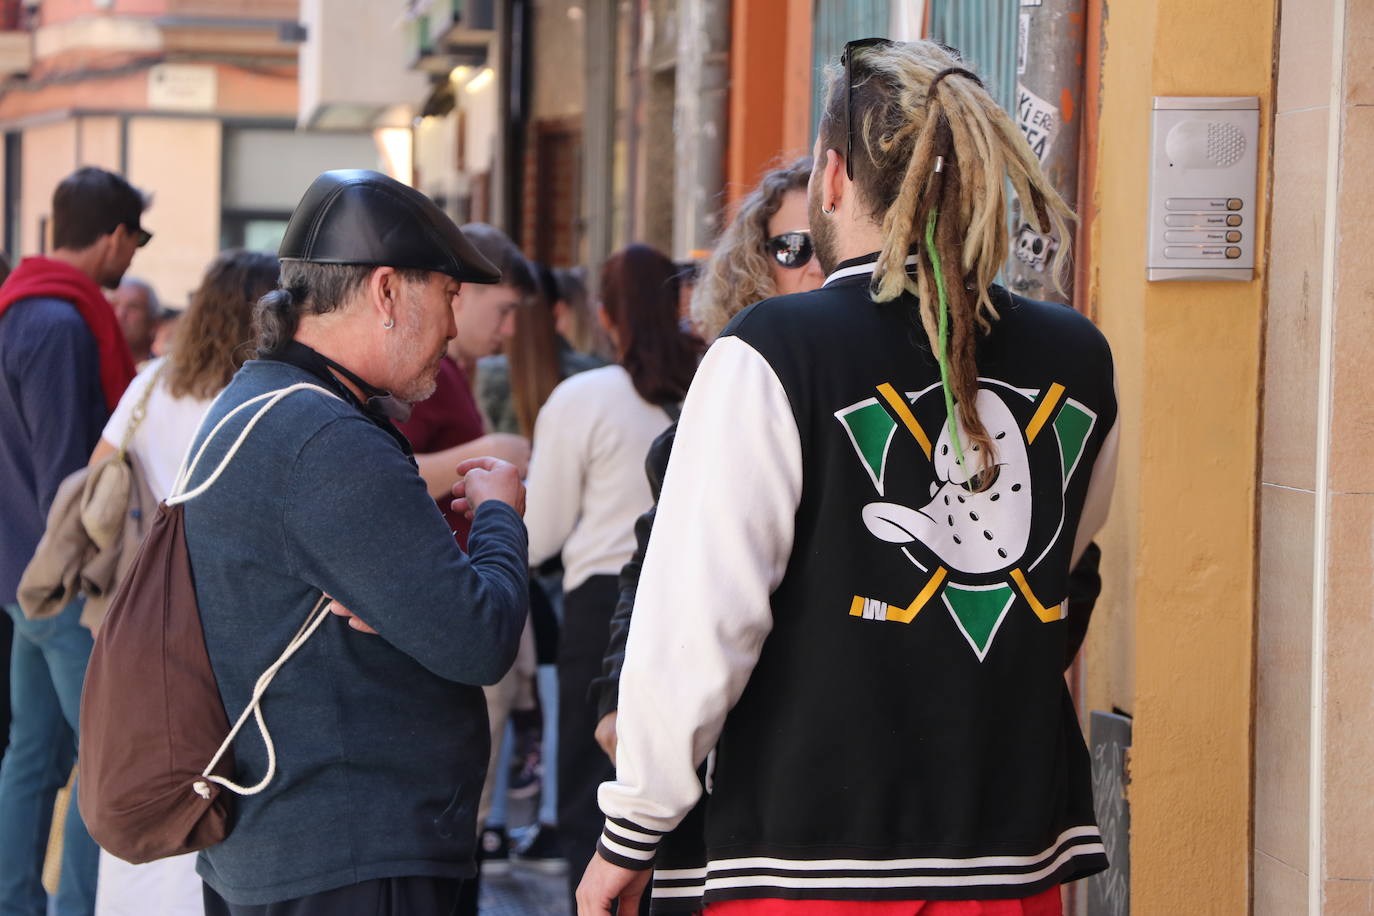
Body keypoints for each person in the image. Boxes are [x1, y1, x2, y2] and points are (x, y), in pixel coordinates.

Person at [578, 39, 1118, 916]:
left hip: (807, 865)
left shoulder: (771, 350)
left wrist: (632, 828)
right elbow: (1057, 577)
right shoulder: (1081, 358)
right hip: (1008, 861)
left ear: (831, 178)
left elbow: (702, 621)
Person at [180, 169, 529, 915]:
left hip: (301, 845)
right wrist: (500, 512)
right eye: (448, 295)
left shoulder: (261, 400)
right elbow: (479, 636)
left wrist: (412, 604)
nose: (453, 328)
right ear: (386, 291)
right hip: (352, 857)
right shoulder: (326, 436)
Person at [86, 249, 279, 916]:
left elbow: (98, 475)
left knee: (150, 758)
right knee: (210, 766)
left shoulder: (150, 384)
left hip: (141, 611)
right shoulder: (256, 399)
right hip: (227, 614)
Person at [523, 244, 702, 911]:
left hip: (603, 609)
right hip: (694, 601)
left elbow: (538, 535)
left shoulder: (583, 397)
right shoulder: (716, 382)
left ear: (603, 316)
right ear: (681, 303)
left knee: (588, 797)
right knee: (674, 789)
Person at [0, 165, 149, 916]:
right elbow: (71, 483)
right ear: (116, 236)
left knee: (32, 756)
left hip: (19, 575)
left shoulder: (17, 307)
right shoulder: (61, 324)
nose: (135, 258)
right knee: (101, 761)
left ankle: (18, 903)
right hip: (58, 582)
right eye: (137, 240)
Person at [107, 277, 160, 366]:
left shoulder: (163, 376)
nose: (119, 314)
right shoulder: (92, 368)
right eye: (113, 305)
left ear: (153, 324)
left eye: (133, 307)